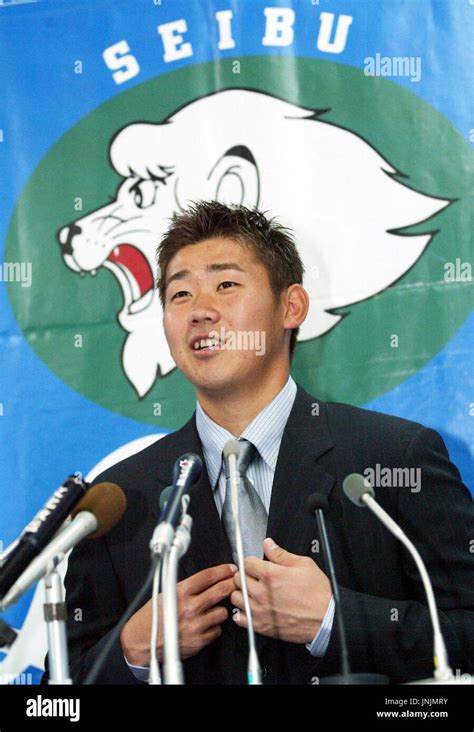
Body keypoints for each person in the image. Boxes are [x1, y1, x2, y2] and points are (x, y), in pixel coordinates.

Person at [46, 201, 474, 685]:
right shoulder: (122, 498)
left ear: (291, 306)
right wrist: (134, 649)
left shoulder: (394, 458)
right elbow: (59, 692)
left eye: (226, 285)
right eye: (179, 293)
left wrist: (336, 621)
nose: (201, 311)